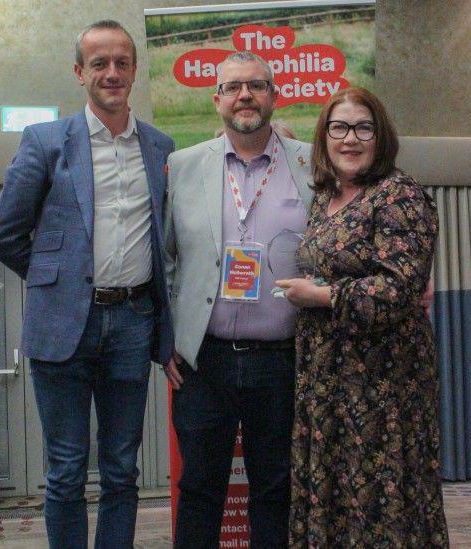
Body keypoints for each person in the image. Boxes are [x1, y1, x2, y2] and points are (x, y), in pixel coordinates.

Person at [0, 20, 174, 549]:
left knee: (122, 470)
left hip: (134, 324)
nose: (111, 73)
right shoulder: (46, 141)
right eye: (99, 63)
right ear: (79, 72)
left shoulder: (161, 147)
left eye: (121, 62)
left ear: (134, 69)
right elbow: (4, 234)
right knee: (66, 470)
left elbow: (164, 244)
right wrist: (59, 283)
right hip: (64, 325)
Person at [275, 87, 450, 547]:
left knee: (379, 500)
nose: (350, 139)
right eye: (339, 127)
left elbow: (398, 289)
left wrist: (322, 295)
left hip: (382, 387)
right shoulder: (326, 196)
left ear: (380, 135)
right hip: (328, 384)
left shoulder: (400, 195)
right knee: (334, 497)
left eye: (362, 127)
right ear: (324, 137)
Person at [162, 51, 313, 548]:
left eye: (256, 85)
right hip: (204, 363)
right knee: (200, 489)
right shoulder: (182, 167)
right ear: (217, 100)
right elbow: (164, 261)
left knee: (276, 489)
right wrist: (167, 341)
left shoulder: (313, 164)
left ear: (275, 94)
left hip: (285, 360)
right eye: (232, 87)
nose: (244, 95)